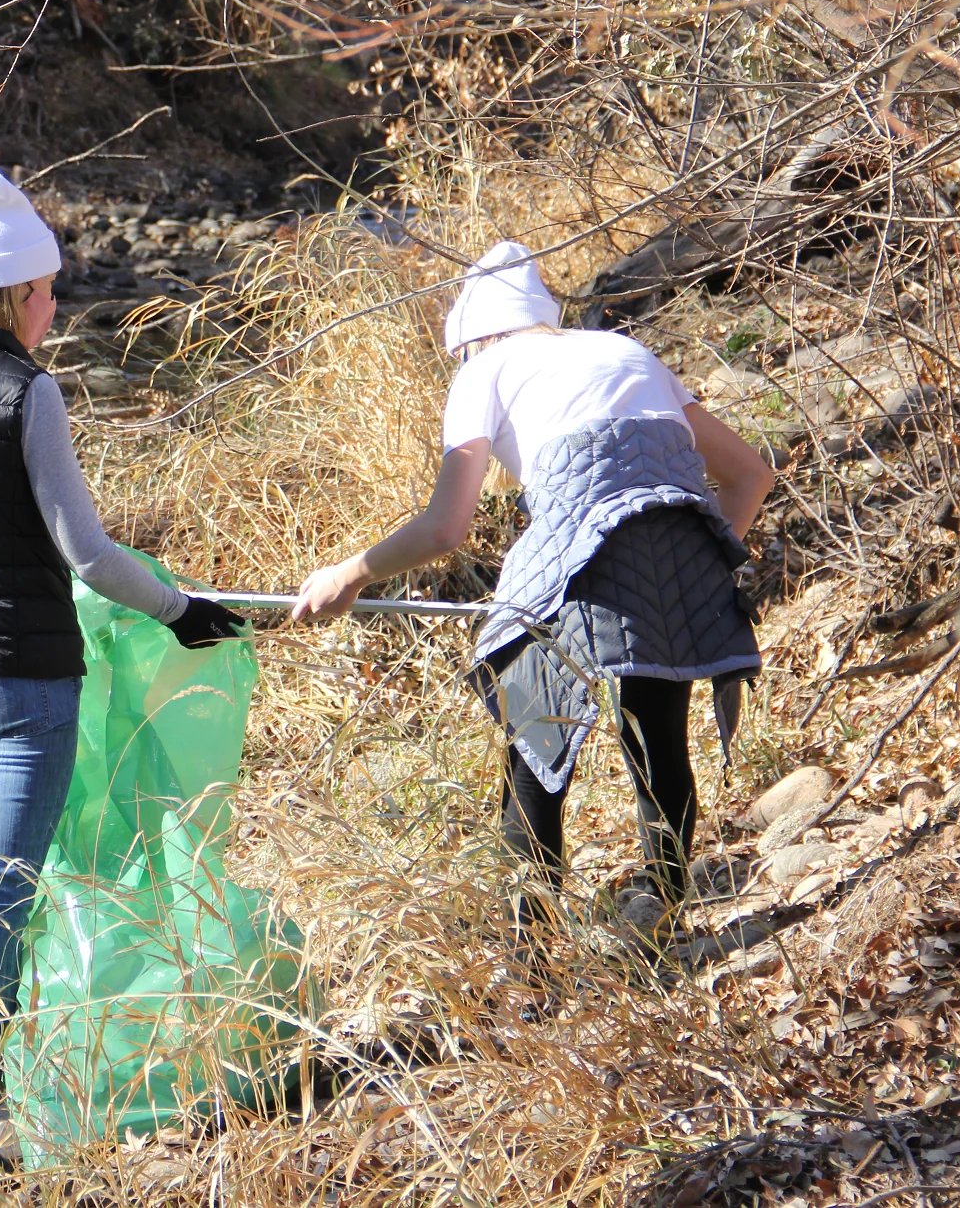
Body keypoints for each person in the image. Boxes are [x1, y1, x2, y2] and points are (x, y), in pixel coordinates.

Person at [0, 163, 244, 1161]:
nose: (54, 307)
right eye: (48, 291)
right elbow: (87, 554)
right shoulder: (26, 393)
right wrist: (177, 611)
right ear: (18, 294)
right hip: (17, 687)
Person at [291, 239, 773, 959]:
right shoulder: (625, 352)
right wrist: (701, 561)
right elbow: (752, 477)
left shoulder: (486, 369)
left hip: (579, 548)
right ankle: (659, 914)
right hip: (682, 535)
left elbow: (447, 525)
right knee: (659, 737)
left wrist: (350, 572)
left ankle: (532, 966)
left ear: (476, 334)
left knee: (535, 756)